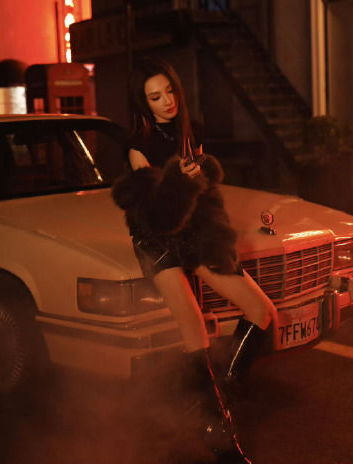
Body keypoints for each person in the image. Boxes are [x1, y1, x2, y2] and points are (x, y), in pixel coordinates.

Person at [111, 57, 276, 464]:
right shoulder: (137, 147)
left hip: (193, 232)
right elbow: (157, 217)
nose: (167, 101)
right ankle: (222, 442)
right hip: (155, 239)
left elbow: (207, 198)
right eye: (155, 97)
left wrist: (217, 238)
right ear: (142, 103)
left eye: (170, 91)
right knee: (194, 330)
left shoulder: (190, 131)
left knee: (261, 310)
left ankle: (212, 397)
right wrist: (179, 182)